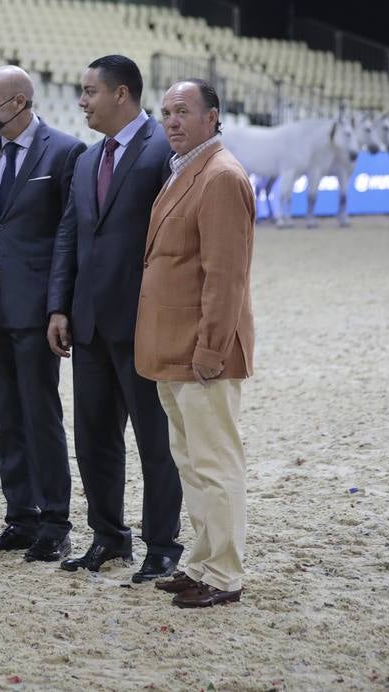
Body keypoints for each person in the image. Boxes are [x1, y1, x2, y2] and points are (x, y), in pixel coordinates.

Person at [46, 55, 182, 583]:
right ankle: (108, 538)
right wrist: (59, 305)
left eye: (89, 92)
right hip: (88, 324)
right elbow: (69, 237)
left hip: (145, 323)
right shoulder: (84, 160)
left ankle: (163, 546)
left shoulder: (162, 152)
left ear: (121, 93)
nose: (82, 102)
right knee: (95, 438)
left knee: (155, 441)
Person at [0, 65, 85, 562]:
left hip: (34, 307)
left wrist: (59, 306)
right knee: (4, 416)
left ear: (20, 102)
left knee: (39, 411)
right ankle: (19, 517)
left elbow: (67, 236)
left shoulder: (66, 151)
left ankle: (55, 521)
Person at [136, 79, 255, 609]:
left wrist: (210, 349)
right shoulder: (187, 169)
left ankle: (223, 575)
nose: (173, 121)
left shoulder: (221, 176)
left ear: (213, 117)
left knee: (214, 463)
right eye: (165, 113)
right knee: (191, 462)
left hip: (203, 351)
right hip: (175, 347)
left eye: (183, 111)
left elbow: (225, 276)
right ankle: (202, 562)